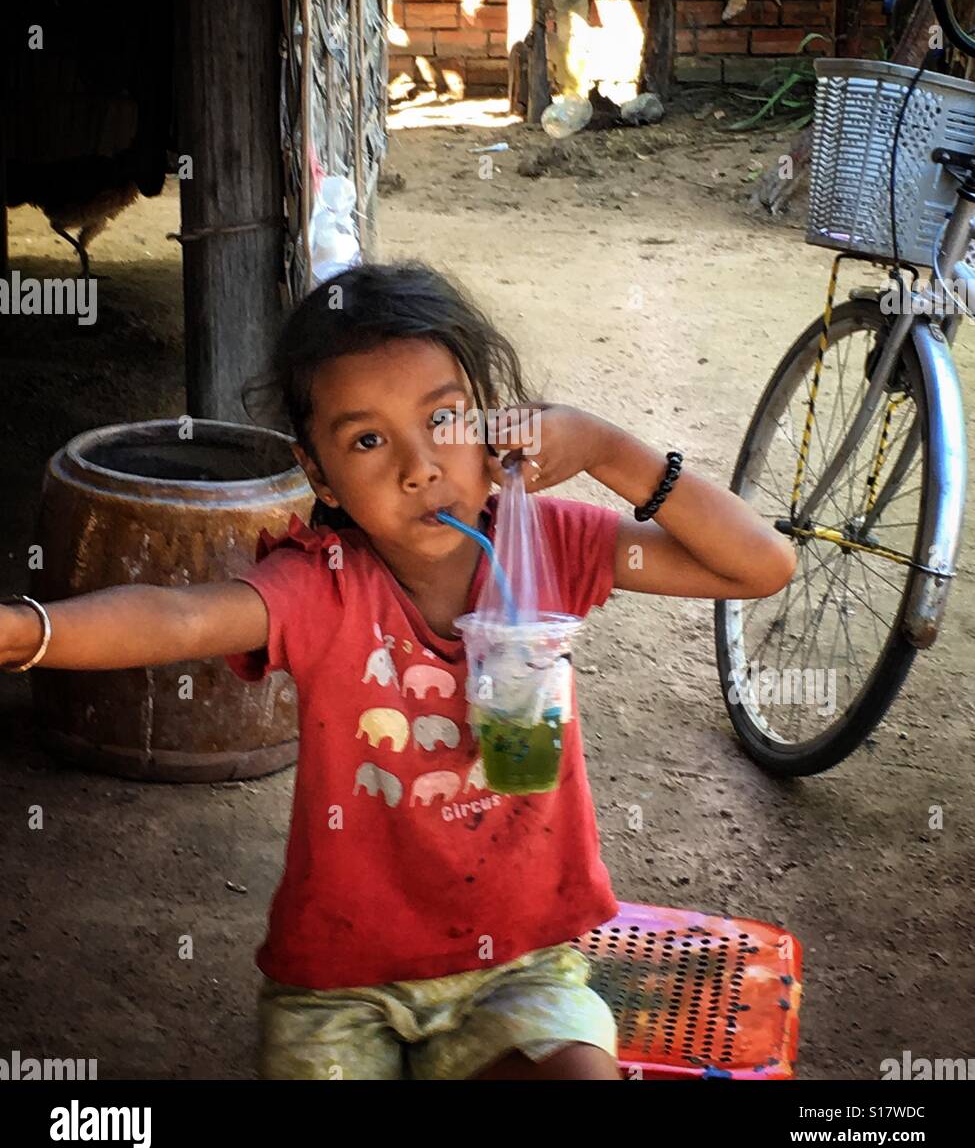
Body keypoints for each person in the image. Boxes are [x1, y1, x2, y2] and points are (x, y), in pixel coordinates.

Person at [0, 261, 796, 1081]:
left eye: (443, 419)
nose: (419, 467)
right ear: (320, 477)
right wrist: (22, 630)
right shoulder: (321, 587)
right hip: (342, 984)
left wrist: (604, 447)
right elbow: (183, 615)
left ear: (493, 419)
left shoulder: (547, 543)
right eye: (368, 440)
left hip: (520, 966)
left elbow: (759, 567)